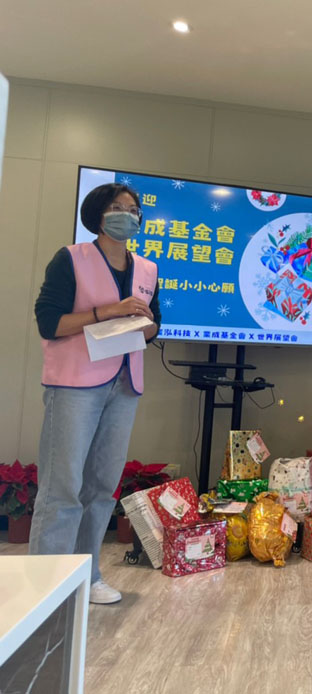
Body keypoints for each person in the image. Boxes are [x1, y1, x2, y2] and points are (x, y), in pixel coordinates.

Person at [31, 182, 160, 605]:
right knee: (63, 488)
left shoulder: (147, 269)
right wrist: (109, 312)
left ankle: (88, 576)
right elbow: (49, 322)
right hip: (75, 385)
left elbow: (155, 325)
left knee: (102, 488)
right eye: (118, 207)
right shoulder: (71, 258)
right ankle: (46, 587)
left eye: (133, 209)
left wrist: (145, 324)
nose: (128, 214)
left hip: (124, 386)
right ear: (98, 215)